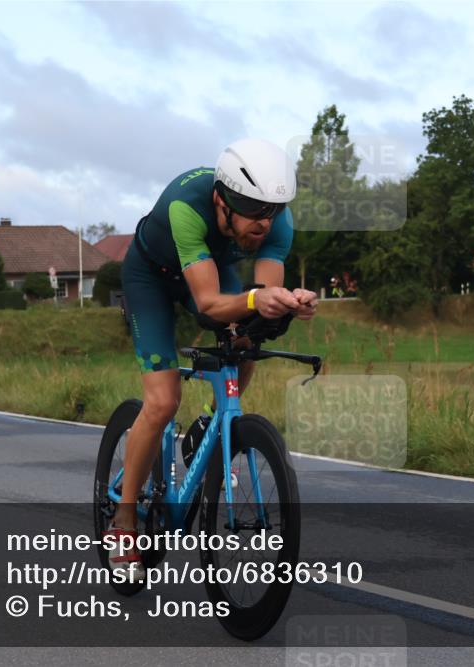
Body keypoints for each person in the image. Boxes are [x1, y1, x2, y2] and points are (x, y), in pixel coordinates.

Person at [111, 138, 318, 581]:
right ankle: (124, 522)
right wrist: (256, 299)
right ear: (222, 201)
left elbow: (263, 301)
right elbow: (207, 303)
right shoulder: (188, 207)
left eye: (271, 212)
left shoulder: (276, 221)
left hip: (205, 267)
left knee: (246, 342)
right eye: (251, 211)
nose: (263, 225)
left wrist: (287, 302)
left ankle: (207, 424)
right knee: (163, 401)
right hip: (152, 277)